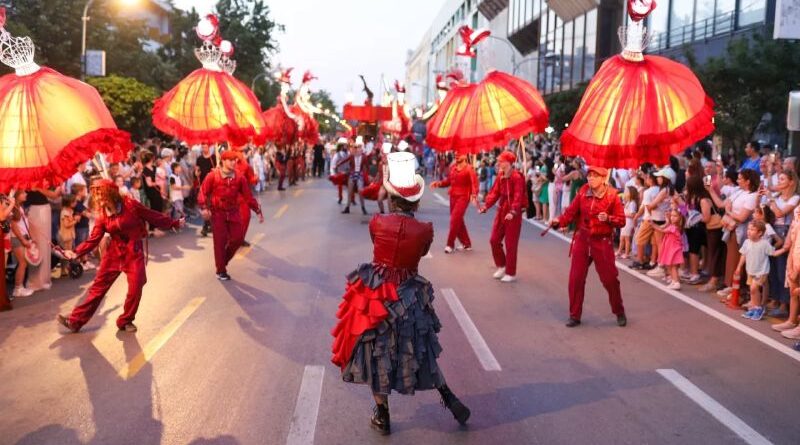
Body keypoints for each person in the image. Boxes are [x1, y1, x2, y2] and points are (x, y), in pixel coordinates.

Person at [330, 151, 470, 436]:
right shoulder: (424, 229)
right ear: (415, 200)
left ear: (391, 197)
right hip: (410, 294)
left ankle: (382, 415)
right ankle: (447, 396)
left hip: (377, 293)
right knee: (420, 349)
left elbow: (377, 246)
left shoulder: (377, 222)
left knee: (375, 353)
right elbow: (422, 252)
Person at [56, 179, 184, 333]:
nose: (98, 198)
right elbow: (94, 238)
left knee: (136, 285)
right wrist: (76, 252)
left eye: (101, 194)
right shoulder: (102, 214)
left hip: (133, 252)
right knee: (97, 288)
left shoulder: (130, 204)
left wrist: (173, 223)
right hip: (113, 254)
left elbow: (152, 216)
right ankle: (75, 321)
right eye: (96, 195)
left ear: (110, 194)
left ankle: (126, 320)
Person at [550, 166, 627, 328]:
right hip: (583, 239)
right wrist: (559, 221)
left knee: (610, 280)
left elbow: (621, 221)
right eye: (589, 175)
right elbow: (570, 213)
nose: (590, 178)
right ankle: (574, 315)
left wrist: (609, 218)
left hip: (602, 241)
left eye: (594, 176)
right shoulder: (583, 191)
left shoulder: (613, 195)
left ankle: (619, 310)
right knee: (575, 279)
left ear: (603, 178)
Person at [198, 150, 264, 281]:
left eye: (235, 160)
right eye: (230, 160)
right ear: (222, 161)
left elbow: (248, 196)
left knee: (238, 239)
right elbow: (202, 192)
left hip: (234, 212)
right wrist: (204, 207)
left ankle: (223, 261)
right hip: (218, 214)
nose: (233, 162)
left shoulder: (239, 177)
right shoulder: (213, 176)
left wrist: (257, 210)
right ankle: (221, 270)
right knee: (220, 243)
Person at [479, 151, 526, 282]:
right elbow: (494, 193)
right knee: (494, 240)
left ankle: (511, 272)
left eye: (501, 161)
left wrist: (513, 212)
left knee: (511, 244)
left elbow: (518, 196)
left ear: (508, 163)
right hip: (501, 211)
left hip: (513, 214)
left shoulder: (517, 177)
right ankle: (502, 265)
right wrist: (486, 206)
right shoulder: (500, 176)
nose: (499, 163)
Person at [431, 153, 478, 253]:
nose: (457, 155)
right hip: (453, 196)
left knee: (454, 220)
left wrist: (474, 195)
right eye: (455, 153)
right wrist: (438, 183)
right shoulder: (453, 167)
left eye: (459, 153)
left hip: (463, 197)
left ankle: (450, 244)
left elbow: (474, 183)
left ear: (465, 156)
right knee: (458, 221)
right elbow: (448, 181)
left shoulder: (469, 169)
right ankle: (466, 243)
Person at [736, 220, 777, 321]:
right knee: (752, 290)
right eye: (748, 229)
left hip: (761, 271)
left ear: (760, 233)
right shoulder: (747, 242)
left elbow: (773, 253)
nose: (749, 231)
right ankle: (754, 308)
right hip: (750, 270)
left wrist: (784, 249)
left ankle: (759, 308)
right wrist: (739, 267)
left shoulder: (764, 244)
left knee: (754, 288)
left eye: (752, 229)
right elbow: (743, 255)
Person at [655, 209, 686, 290]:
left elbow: (662, 230)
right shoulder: (674, 226)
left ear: (680, 218)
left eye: (675, 216)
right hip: (672, 249)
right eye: (671, 216)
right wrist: (668, 220)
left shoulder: (674, 227)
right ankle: (674, 280)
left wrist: (652, 225)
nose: (672, 218)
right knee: (671, 266)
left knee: (673, 267)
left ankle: (676, 282)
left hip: (674, 250)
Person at [339, 141, 369, 215]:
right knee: (349, 191)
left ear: (361, 148)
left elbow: (367, 166)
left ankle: (363, 207)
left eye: (358, 147)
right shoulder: (352, 155)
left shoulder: (364, 156)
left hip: (360, 174)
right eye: (355, 147)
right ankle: (347, 208)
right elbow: (345, 160)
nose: (357, 149)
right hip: (352, 173)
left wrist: (367, 175)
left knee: (360, 191)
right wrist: (337, 164)